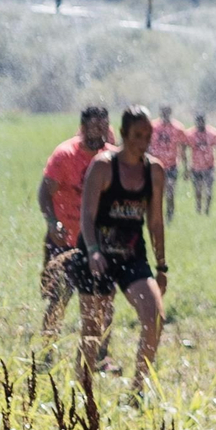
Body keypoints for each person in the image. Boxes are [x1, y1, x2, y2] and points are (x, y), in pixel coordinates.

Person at [72, 106, 168, 397]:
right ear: (124, 134)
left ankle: (137, 391)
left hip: (131, 256)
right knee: (93, 329)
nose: (144, 140)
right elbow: (86, 217)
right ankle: (81, 393)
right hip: (96, 255)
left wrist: (162, 266)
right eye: (138, 135)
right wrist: (93, 251)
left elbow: (155, 221)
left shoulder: (155, 171)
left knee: (154, 317)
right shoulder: (102, 166)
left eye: (148, 135)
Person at [39, 106, 117, 372]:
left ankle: (99, 358)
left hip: (97, 243)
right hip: (65, 241)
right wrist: (53, 222)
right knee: (59, 298)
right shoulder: (65, 155)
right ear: (83, 127)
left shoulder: (111, 157)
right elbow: (43, 193)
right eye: (94, 127)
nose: (99, 134)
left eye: (104, 128)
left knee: (105, 301)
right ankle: (46, 355)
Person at [149, 106, 187, 224]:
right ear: (160, 113)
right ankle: (155, 217)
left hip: (171, 166)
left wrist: (186, 167)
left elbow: (183, 148)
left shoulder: (178, 128)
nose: (165, 115)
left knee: (170, 193)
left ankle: (169, 217)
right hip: (154, 165)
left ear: (170, 113)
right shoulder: (153, 126)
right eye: (163, 112)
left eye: (167, 112)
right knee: (155, 194)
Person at [186, 114, 216, 215]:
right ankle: (198, 209)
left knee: (208, 190)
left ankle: (207, 210)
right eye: (198, 122)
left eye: (201, 122)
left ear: (204, 122)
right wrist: (186, 168)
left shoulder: (212, 134)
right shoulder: (190, 134)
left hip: (209, 167)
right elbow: (183, 149)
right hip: (196, 167)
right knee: (198, 191)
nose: (200, 124)